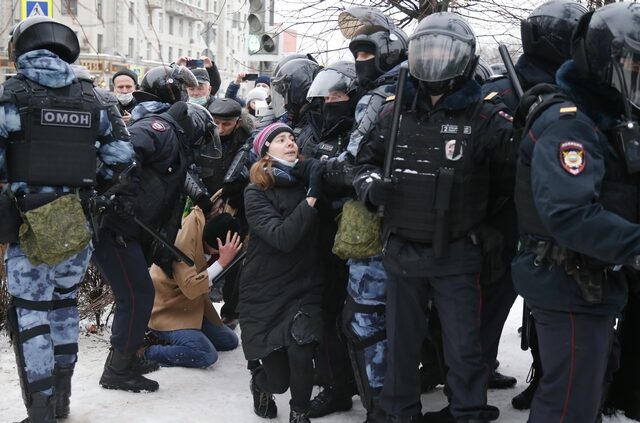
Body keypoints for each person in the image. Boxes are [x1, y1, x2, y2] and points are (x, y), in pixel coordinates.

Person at [353, 12, 515, 422]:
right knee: (401, 344)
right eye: (429, 51)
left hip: (457, 252)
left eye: (445, 51)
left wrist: (487, 228)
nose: (436, 60)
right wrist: (371, 186)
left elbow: (511, 180)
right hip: (403, 248)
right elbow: (362, 163)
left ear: (462, 58)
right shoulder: (394, 112)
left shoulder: (484, 116)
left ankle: (467, 413)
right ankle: (397, 413)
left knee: (463, 349)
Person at [0, 16, 135, 422]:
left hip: (31, 225)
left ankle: (40, 411)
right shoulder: (92, 97)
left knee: (31, 316)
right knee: (63, 309)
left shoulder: (13, 95)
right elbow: (122, 159)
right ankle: (61, 404)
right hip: (78, 223)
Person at [512, 2, 640, 422]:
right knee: (568, 406)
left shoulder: (603, 117)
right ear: (606, 61)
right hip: (567, 282)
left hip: (590, 280)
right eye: (631, 65)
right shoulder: (570, 124)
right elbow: (569, 214)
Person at [92, 66, 217, 394]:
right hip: (116, 227)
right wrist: (123, 194)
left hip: (129, 229)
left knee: (137, 294)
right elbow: (123, 155)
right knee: (135, 295)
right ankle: (118, 369)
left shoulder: (169, 132)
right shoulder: (159, 127)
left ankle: (127, 358)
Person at [336, 7, 409, 422]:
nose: (361, 63)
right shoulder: (416, 87)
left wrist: (321, 170)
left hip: (379, 227)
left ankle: (381, 407)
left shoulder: (379, 97)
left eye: (367, 53)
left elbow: (352, 158)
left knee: (366, 316)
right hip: (423, 229)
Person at [239, 122, 325, 423]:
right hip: (266, 288)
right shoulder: (256, 191)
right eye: (280, 139)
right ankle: (260, 382)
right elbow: (282, 238)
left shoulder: (308, 179)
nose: (290, 143)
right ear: (265, 151)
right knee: (279, 380)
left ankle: (300, 413)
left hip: (305, 284)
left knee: (302, 352)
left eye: (292, 138)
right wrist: (312, 197)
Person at [301, 60, 361, 419]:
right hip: (317, 237)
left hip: (354, 238)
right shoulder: (311, 130)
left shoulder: (363, 130)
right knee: (324, 313)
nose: (330, 101)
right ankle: (336, 385)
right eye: (327, 95)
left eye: (338, 95)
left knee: (354, 317)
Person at [144, 211, 241, 368]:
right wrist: (222, 262)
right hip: (168, 308)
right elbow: (190, 287)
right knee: (206, 354)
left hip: (191, 307)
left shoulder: (204, 222)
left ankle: (188, 337)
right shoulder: (185, 242)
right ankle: (147, 351)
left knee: (230, 341)